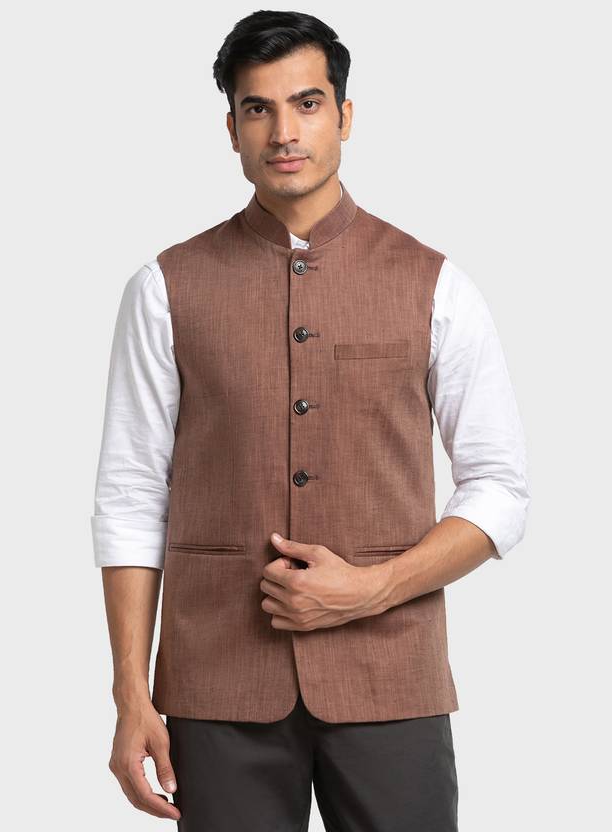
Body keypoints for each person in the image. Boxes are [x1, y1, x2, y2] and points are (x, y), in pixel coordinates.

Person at [91, 10, 530, 831]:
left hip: (393, 680)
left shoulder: (436, 285)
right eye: (258, 109)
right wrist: (129, 694)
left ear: (345, 115)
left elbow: (501, 490)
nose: (284, 132)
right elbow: (131, 495)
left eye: (307, 103)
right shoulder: (164, 288)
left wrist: (372, 589)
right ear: (231, 129)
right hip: (216, 685)